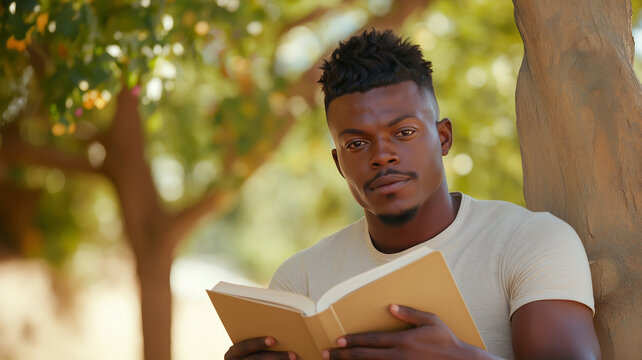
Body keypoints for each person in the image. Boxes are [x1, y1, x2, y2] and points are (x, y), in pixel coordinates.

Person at [224, 29, 600, 360]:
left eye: (403, 132)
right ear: (339, 163)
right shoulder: (300, 281)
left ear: (443, 137)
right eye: (357, 143)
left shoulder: (531, 242)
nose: (382, 155)